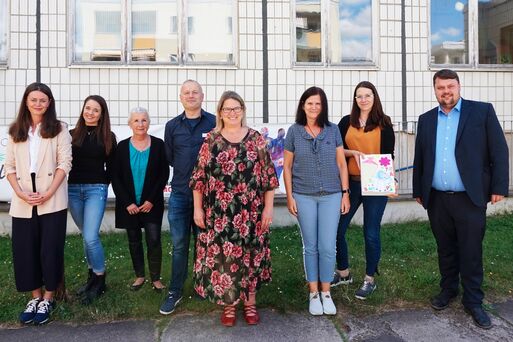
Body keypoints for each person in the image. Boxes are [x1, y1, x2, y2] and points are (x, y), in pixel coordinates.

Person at [413, 69, 509, 330]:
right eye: (441, 87)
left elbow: (499, 151)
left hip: (470, 198)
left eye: (450, 86)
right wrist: (418, 190)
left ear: (459, 86)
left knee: (471, 250)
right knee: (445, 248)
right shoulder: (426, 119)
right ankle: (448, 290)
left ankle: (474, 301)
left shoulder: (481, 112)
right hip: (437, 199)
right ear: (435, 90)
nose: (446, 91)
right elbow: (420, 157)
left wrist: (499, 186)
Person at [190, 91, 278, 326]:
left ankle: (250, 303)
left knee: (250, 257)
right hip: (220, 213)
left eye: (236, 108)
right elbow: (198, 178)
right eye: (227, 109)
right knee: (225, 258)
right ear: (220, 112)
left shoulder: (256, 139)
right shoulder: (211, 141)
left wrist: (268, 209)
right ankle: (229, 305)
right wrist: (198, 210)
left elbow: (269, 178)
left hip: (251, 213)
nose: (232, 113)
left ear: (243, 109)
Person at [5, 82, 72, 325]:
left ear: (49, 103)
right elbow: (9, 167)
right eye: (33, 100)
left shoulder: (59, 129)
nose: (38, 104)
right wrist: (20, 192)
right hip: (23, 198)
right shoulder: (15, 131)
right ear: (26, 101)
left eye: (43, 100)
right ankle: (34, 296)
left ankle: (48, 297)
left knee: (50, 248)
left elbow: (65, 163)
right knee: (26, 250)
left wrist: (50, 192)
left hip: (51, 197)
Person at [283, 86, 350, 316]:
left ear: (323, 107)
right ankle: (313, 293)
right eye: (310, 103)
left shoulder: (332, 131)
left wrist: (345, 193)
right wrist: (290, 196)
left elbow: (342, 164)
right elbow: (288, 167)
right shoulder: (294, 131)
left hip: (332, 195)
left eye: (318, 103)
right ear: (303, 105)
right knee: (310, 246)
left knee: (327, 246)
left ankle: (326, 292)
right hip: (303, 195)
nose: (314, 107)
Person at [331, 81, 395, 300]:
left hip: (375, 184)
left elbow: (389, 156)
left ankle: (369, 279)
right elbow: (336, 150)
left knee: (370, 232)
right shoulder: (345, 122)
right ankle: (343, 271)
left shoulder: (384, 123)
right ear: (355, 99)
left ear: (374, 97)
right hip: (351, 184)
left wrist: (388, 180)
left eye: (367, 95)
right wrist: (353, 153)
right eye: (359, 96)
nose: (363, 99)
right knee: (338, 228)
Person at [160, 80, 216, 315]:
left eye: (195, 92)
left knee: (206, 244)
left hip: (210, 196)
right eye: (186, 93)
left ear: (202, 96)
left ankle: (205, 286)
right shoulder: (172, 126)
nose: (191, 96)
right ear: (180, 97)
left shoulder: (214, 122)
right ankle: (175, 290)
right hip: (181, 194)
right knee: (180, 244)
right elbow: (171, 158)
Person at [111, 107, 169, 292]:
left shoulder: (159, 145)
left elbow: (163, 174)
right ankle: (140, 276)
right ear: (130, 124)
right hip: (129, 205)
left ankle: (156, 278)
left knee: (154, 240)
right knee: (134, 240)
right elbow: (115, 176)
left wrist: (151, 200)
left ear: (149, 123)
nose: (140, 124)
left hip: (152, 204)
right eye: (136, 120)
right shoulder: (121, 147)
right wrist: (127, 202)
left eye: (144, 120)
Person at [68, 95, 117, 304]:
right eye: (87, 108)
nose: (90, 112)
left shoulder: (108, 136)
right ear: (83, 109)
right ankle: (91, 278)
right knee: (85, 236)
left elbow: (113, 167)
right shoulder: (70, 135)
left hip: (95, 190)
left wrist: (103, 183)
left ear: (101, 114)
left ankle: (100, 278)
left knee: (90, 236)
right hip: (72, 190)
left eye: (95, 110)